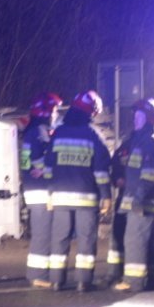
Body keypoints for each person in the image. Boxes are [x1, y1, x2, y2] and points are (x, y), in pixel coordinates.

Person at [45, 90, 111, 292]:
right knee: (86, 240)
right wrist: (106, 195)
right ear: (92, 112)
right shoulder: (93, 135)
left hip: (60, 197)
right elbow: (101, 171)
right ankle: (83, 281)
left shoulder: (58, 133)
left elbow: (49, 167)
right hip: (86, 198)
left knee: (59, 239)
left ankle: (56, 281)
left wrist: (50, 193)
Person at [106, 100, 154, 291]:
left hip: (142, 201)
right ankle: (152, 278)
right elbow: (120, 161)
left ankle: (133, 281)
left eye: (139, 116)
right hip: (133, 198)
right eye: (135, 116)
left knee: (135, 239)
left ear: (148, 118)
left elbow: (150, 174)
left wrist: (138, 198)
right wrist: (117, 177)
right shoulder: (136, 140)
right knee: (145, 240)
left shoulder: (150, 142)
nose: (135, 119)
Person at [21, 92, 63, 289]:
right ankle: (37, 275)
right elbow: (34, 160)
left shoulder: (37, 130)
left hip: (38, 189)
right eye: (54, 110)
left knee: (45, 233)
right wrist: (47, 169)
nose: (56, 114)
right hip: (40, 190)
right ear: (45, 111)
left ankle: (40, 274)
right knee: (42, 233)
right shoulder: (38, 131)